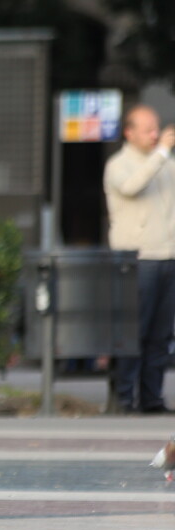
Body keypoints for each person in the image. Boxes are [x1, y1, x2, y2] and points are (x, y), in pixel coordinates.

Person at [103, 105, 175, 413]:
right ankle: (123, 398)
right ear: (128, 132)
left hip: (167, 257)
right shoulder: (118, 165)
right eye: (147, 129)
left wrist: (162, 156)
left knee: (161, 336)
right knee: (134, 333)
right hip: (136, 259)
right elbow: (132, 187)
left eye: (156, 128)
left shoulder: (166, 163)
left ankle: (152, 398)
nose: (155, 135)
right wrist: (161, 153)